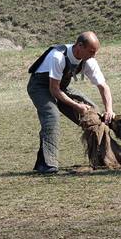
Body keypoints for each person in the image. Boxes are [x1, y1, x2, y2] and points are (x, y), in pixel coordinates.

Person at [27, 31, 115, 173]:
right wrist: (76, 106)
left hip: (61, 86)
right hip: (40, 87)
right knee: (52, 117)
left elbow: (103, 86)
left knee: (93, 113)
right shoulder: (58, 57)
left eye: (95, 51)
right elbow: (54, 89)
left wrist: (109, 109)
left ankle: (101, 158)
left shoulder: (89, 61)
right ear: (79, 46)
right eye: (91, 51)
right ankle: (47, 164)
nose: (94, 55)